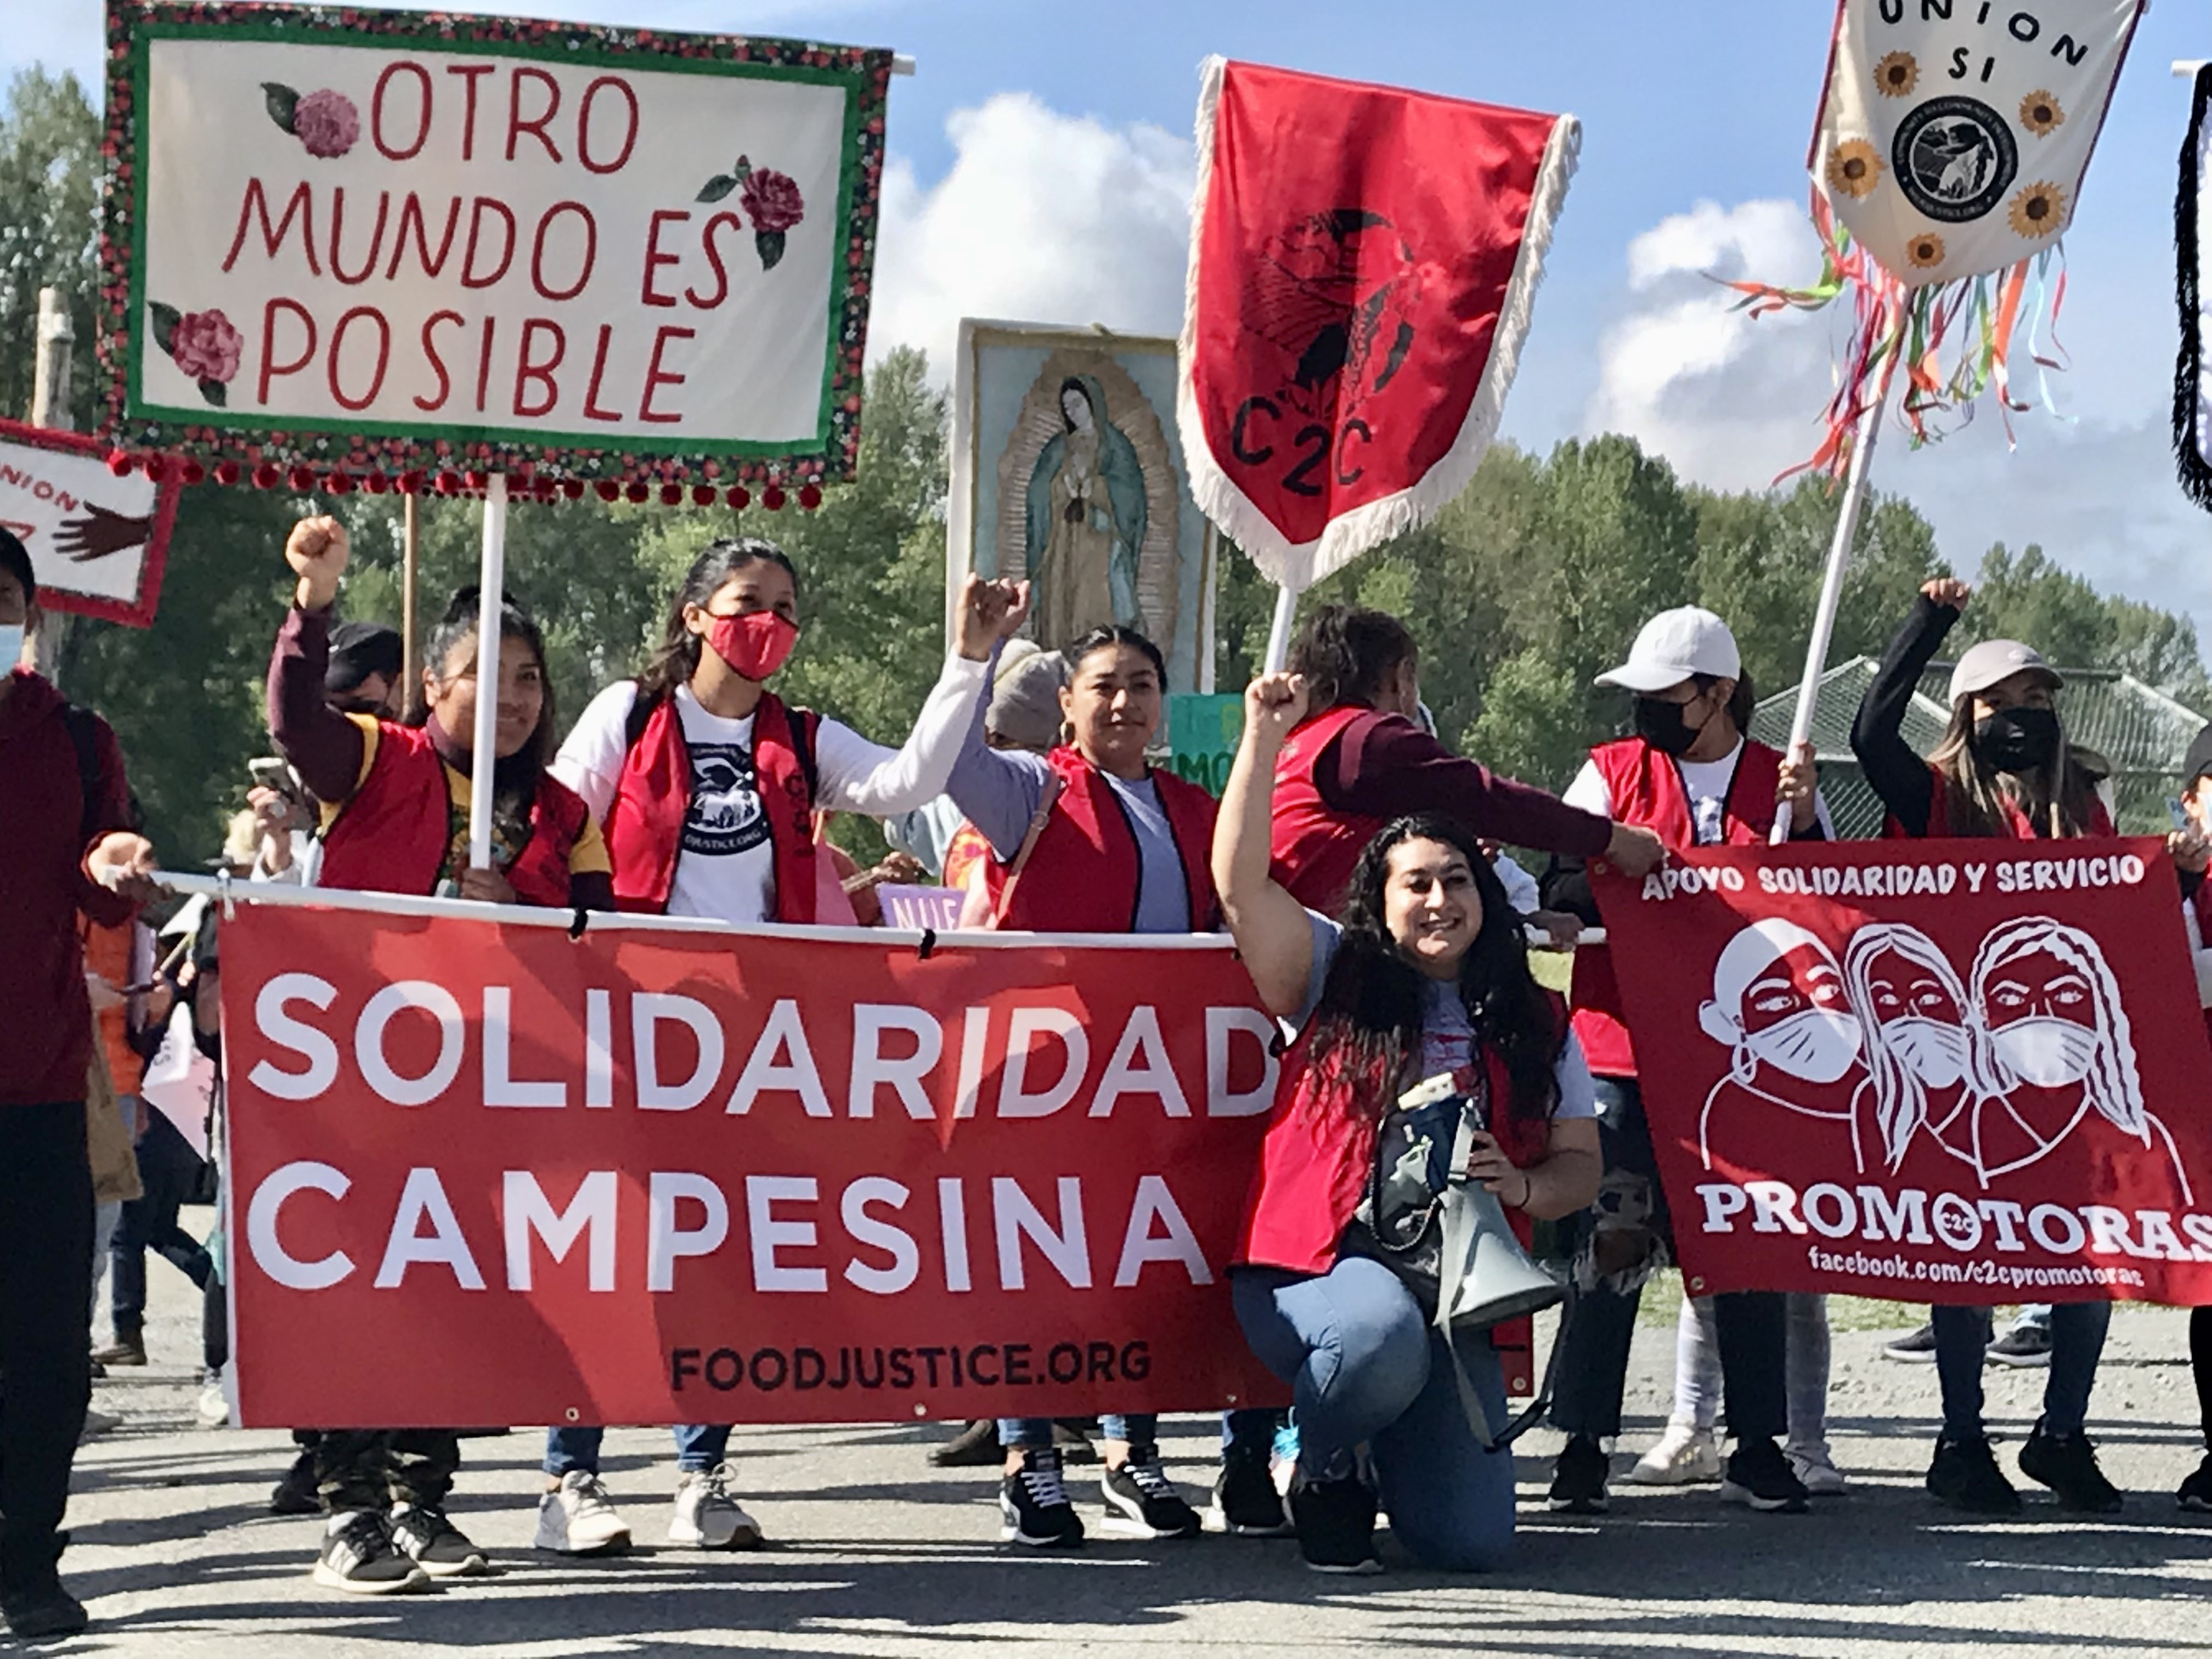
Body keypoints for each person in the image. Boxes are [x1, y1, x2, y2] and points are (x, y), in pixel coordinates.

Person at [548, 537, 1024, 1554]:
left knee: (717, 1256)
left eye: (784, 605)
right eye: (746, 600)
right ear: (693, 616)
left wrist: (967, 659)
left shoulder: (799, 736)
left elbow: (902, 784)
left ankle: (699, 1472)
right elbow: (556, 821)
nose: (766, 620)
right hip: (631, 1024)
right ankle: (570, 1477)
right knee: (611, 1252)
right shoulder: (628, 717)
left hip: (751, 1036)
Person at [270, 514, 611, 1590]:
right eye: (485, 675)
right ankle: (352, 1514)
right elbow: (296, 726)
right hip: (353, 1093)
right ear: (433, 685)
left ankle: (426, 1503)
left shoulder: (564, 813)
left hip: (488, 1101)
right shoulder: (380, 760)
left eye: (530, 680)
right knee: (353, 1299)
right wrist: (314, 605)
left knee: (451, 1300)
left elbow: (604, 945)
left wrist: (523, 904)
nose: (511, 699)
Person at [1214, 670, 1601, 1573]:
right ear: (1378, 902)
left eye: (1456, 879)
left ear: (1485, 893)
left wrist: (1528, 1184)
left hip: (1451, 1296)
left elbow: (1580, 1162)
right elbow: (1238, 885)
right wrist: (1262, 738)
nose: (1438, 900)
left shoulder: (1534, 1016)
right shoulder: (1326, 970)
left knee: (1468, 1540)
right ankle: (1324, 1461)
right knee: (1376, 1335)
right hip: (1314, 1271)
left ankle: (1388, 1445)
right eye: (1414, 883)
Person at [1848, 575, 2193, 1514]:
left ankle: (2061, 1431)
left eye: (2040, 700)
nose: (2026, 714)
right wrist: (1929, 619)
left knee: (2087, 1253)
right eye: (2007, 702)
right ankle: (1960, 1438)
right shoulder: (1929, 794)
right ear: (1971, 711)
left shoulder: (2080, 798)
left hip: (2059, 1068)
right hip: (1964, 1068)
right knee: (1967, 1255)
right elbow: (1870, 730)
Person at [943, 624, 1235, 1547]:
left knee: (1132, 1268)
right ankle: (1027, 1461)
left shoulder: (1195, 807)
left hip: (1149, 1081)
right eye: (1103, 685)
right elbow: (948, 760)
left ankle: (1129, 1452)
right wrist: (972, 655)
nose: (1123, 702)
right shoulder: (1034, 791)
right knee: (1036, 1273)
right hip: (1045, 1079)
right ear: (1066, 701)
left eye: (1142, 684)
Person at [1541, 606, 1834, 1515]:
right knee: (1611, 1246)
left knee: (1743, 1252)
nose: (1645, 711)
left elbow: (1824, 904)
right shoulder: (1610, 771)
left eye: (1663, 695)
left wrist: (1803, 819)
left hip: (1740, 1063)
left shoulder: (1781, 785)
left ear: (1715, 693)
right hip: (1619, 1049)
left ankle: (1754, 1442)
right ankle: (1582, 1439)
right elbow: (1559, 880)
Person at [0, 529, 158, 1639]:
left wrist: (114, 865)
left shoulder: (73, 737)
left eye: (3, 599)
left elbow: (112, 886)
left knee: (50, 1350)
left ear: (31, 617)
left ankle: (28, 1565)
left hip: (42, 1092)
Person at [1269, 606, 1664, 914]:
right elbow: (1489, 800)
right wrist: (1609, 839)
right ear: (1401, 676)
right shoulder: (1368, 741)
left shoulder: (1300, 741)